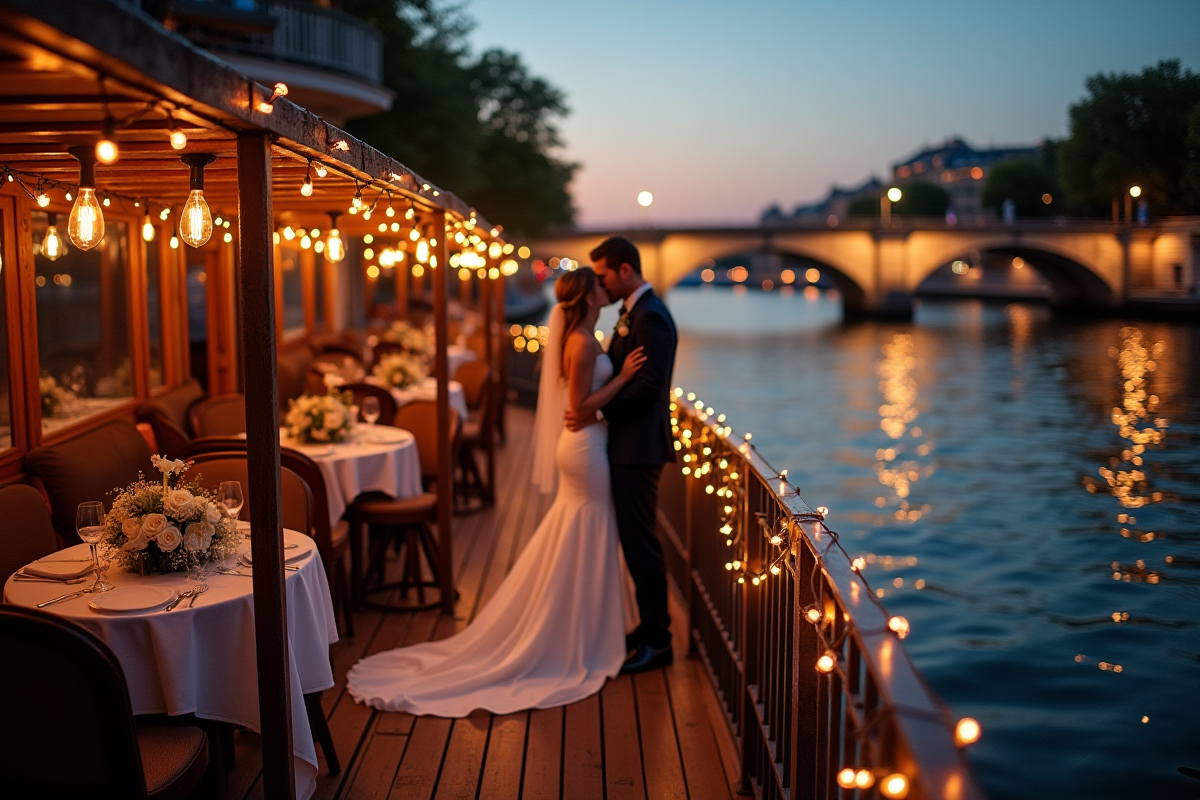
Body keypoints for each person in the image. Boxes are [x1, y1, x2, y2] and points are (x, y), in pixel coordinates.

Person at [346, 267, 646, 716]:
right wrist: (622, 378)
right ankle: (583, 633)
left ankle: (587, 626)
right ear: (588, 297)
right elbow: (579, 408)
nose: (606, 288)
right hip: (586, 449)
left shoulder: (580, 337)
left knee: (583, 528)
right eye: (599, 285)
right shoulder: (583, 343)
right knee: (589, 525)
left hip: (585, 447)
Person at [566, 236, 678, 674]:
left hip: (639, 447)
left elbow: (649, 385)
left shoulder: (651, 316)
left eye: (603, 275)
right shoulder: (635, 313)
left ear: (625, 270)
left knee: (641, 544)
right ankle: (648, 629)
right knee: (634, 542)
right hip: (627, 444)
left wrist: (599, 412)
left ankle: (659, 641)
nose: (601, 284)